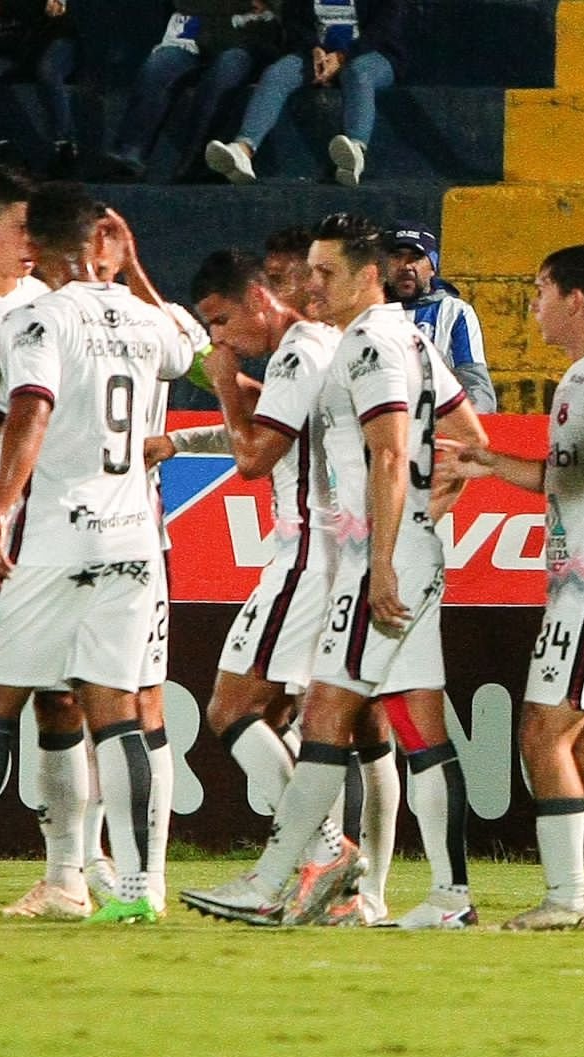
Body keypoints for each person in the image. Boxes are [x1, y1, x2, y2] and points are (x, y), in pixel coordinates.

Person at [0, 183, 192, 924]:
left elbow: (31, 411)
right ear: (100, 245)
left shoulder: (36, 319)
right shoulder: (148, 322)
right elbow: (193, 357)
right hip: (132, 541)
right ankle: (135, 891)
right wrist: (139, 267)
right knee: (117, 711)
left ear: (35, 248)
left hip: (52, 538)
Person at [179, 212, 488, 929]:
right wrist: (423, 520)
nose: (309, 286)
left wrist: (383, 558)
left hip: (369, 558)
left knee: (324, 718)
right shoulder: (408, 337)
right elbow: (470, 439)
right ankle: (449, 897)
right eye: (307, 272)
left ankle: (277, 879)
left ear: (368, 275)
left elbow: (385, 452)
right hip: (401, 549)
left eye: (325, 273)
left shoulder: (372, 341)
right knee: (418, 726)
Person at [149, 249, 402, 926]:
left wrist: (224, 384)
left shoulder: (294, 353)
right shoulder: (322, 349)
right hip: (333, 551)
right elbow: (274, 428)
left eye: (224, 321)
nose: (221, 340)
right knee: (337, 724)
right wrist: (179, 443)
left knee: (231, 708)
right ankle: (352, 893)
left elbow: (256, 458)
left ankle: (323, 854)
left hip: (305, 555)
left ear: (261, 298)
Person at [439, 244, 584, 931]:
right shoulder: (578, 380)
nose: (532, 305)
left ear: (575, 300)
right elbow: (563, 479)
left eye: (540, 290)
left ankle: (567, 898)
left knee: (542, 732)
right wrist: (488, 463)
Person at [204, 0, 405, 186]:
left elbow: (383, 28)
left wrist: (343, 56)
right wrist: (314, 49)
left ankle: (355, 151)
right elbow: (295, 22)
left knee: (358, 73)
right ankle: (243, 150)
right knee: (277, 73)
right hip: (317, 56)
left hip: (370, 55)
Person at [98, 1, 282, 184]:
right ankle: (129, 155)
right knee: (158, 67)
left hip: (250, 31)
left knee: (226, 69)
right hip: (193, 26)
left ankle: (197, 163)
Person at [0, 0, 80, 179]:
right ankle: (2, 146)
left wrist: (6, 8)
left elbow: (43, 15)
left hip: (49, 43)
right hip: (14, 53)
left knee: (47, 70)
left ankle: (65, 146)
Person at [387, 220, 496, 414]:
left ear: (433, 266)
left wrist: (463, 434)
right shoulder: (366, 313)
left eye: (416, 257)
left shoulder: (454, 313)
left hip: (436, 430)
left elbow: (476, 387)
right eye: (397, 257)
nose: (406, 266)